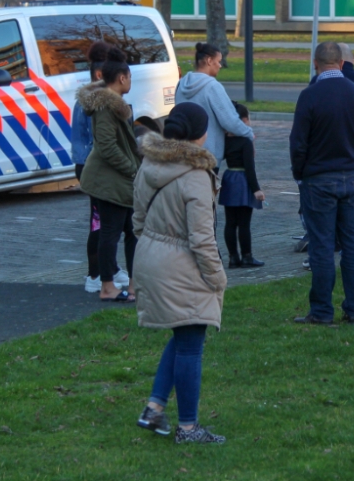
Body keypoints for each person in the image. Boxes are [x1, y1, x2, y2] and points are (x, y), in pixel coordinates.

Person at [133, 102, 227, 445]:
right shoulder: (196, 176)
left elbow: (138, 220)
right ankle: (188, 428)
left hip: (150, 258)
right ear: (199, 136)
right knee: (191, 344)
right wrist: (217, 279)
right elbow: (202, 240)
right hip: (183, 265)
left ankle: (154, 407)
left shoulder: (149, 162)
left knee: (183, 336)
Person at [291, 42, 354, 325]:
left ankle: (322, 310)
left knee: (322, 246)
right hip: (352, 176)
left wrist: (300, 173)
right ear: (341, 63)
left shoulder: (309, 96)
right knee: (352, 243)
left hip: (318, 179)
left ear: (316, 64)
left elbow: (298, 142)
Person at [79, 51, 141, 302]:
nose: (130, 82)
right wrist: (132, 169)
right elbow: (106, 146)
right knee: (111, 234)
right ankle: (107, 287)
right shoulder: (106, 106)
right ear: (123, 78)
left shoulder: (112, 103)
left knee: (132, 231)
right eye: (130, 77)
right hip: (109, 181)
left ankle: (136, 286)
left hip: (117, 179)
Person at [72, 42, 127, 294]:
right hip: (91, 166)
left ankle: (109, 269)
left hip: (86, 164)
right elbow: (102, 142)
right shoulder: (97, 102)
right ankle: (96, 274)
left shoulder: (91, 99)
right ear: (99, 75)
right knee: (101, 224)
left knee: (105, 223)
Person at [175, 42, 253, 167]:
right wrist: (248, 133)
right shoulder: (212, 87)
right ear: (209, 60)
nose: (220, 65)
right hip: (207, 156)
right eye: (218, 61)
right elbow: (229, 120)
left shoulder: (181, 84)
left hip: (183, 154)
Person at [219, 103, 266, 269]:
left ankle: (233, 257)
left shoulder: (226, 139)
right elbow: (250, 168)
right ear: (244, 120)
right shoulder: (245, 141)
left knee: (230, 222)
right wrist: (256, 189)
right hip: (243, 180)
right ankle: (247, 256)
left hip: (229, 178)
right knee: (244, 223)